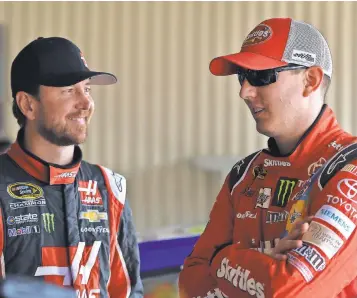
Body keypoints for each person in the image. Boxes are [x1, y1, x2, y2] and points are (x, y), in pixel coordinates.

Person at [179, 17, 357, 298]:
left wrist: (222, 259)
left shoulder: (349, 167)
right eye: (242, 77)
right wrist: (261, 260)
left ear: (310, 80)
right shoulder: (244, 173)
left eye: (261, 76)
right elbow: (191, 282)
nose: (244, 92)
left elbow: (289, 291)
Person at [0, 37, 143, 297]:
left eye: (86, 89)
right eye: (68, 90)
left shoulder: (110, 188)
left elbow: (128, 291)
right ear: (28, 105)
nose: (86, 103)